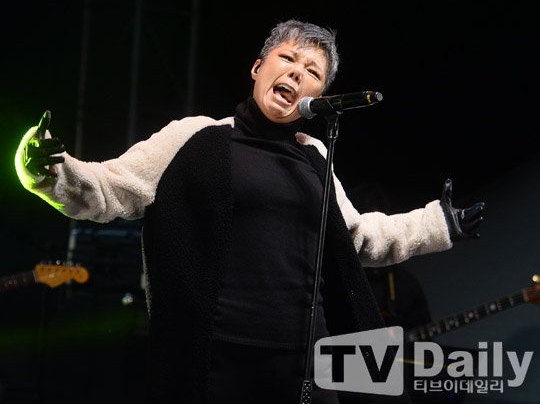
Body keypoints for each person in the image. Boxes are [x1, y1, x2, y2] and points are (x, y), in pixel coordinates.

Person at [15, 20, 484, 404]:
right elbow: (109, 188)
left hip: (307, 359)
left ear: (318, 96)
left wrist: (438, 223)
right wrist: (49, 168)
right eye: (288, 58)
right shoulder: (196, 138)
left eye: (313, 71)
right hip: (219, 358)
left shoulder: (316, 157)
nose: (297, 73)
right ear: (258, 68)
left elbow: (359, 237)